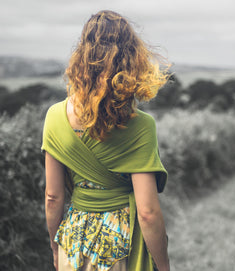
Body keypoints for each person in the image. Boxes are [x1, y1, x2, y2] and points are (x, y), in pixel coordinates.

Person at [41, 10, 170, 271]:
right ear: (132, 59)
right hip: (121, 247)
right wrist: (164, 266)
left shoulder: (54, 116)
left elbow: (53, 197)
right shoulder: (141, 126)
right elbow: (147, 213)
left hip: (73, 245)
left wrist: (56, 247)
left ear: (82, 56)